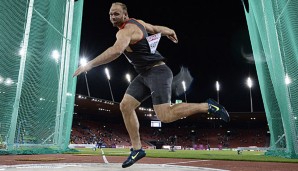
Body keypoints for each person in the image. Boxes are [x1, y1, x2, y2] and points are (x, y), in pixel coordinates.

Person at [73, 2, 230, 168]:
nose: (113, 17)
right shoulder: (138, 22)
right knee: (126, 106)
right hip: (145, 75)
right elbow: (155, 29)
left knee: (165, 115)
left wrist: (88, 65)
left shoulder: (125, 31)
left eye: (116, 14)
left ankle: (208, 106)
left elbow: (116, 51)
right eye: (111, 14)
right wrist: (170, 31)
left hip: (158, 72)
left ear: (125, 15)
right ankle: (137, 149)